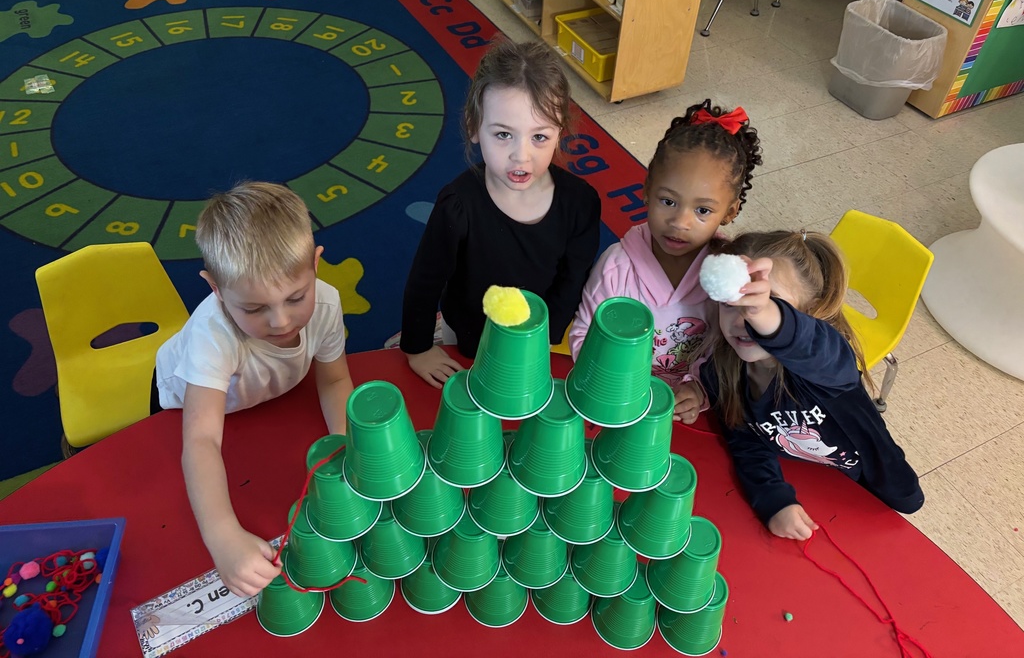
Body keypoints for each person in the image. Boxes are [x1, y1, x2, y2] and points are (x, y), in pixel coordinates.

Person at [156, 181, 354, 596]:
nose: (281, 322)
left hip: (265, 393)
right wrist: (223, 537)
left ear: (316, 265)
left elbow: (334, 379)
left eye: (296, 297)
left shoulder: (328, 304)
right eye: (254, 308)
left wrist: (348, 450)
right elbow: (201, 440)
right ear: (215, 289)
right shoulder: (214, 336)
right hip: (188, 401)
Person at [400, 40, 601, 387]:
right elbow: (425, 280)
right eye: (504, 134)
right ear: (474, 127)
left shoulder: (580, 203)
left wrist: (544, 338)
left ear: (560, 133)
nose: (520, 156)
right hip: (464, 330)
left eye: (539, 137)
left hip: (535, 336)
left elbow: (573, 280)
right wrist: (418, 349)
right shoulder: (458, 204)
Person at [702, 230, 924, 540]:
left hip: (869, 482)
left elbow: (810, 344)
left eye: (767, 303)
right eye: (730, 302)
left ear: (812, 312)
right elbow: (745, 442)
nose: (743, 318)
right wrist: (773, 500)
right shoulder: (720, 373)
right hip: (807, 480)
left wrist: (768, 316)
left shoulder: (828, 363)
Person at [569, 100, 763, 425]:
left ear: (730, 212)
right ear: (646, 190)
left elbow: (734, 349)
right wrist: (613, 385)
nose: (680, 222)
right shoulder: (617, 267)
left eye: (703, 210)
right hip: (616, 402)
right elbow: (584, 335)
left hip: (686, 413)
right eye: (668, 201)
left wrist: (701, 389)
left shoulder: (731, 273)